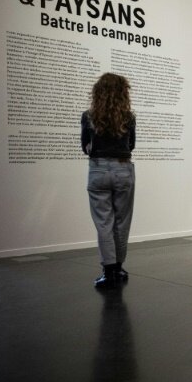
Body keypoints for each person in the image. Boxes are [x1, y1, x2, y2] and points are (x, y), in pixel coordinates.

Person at [81, 73, 136, 288]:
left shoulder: (88, 116)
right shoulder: (129, 117)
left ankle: (108, 270)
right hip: (123, 168)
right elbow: (131, 145)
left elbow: (85, 146)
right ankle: (119, 267)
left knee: (104, 222)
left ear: (98, 92)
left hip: (98, 170)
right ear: (123, 93)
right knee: (122, 221)